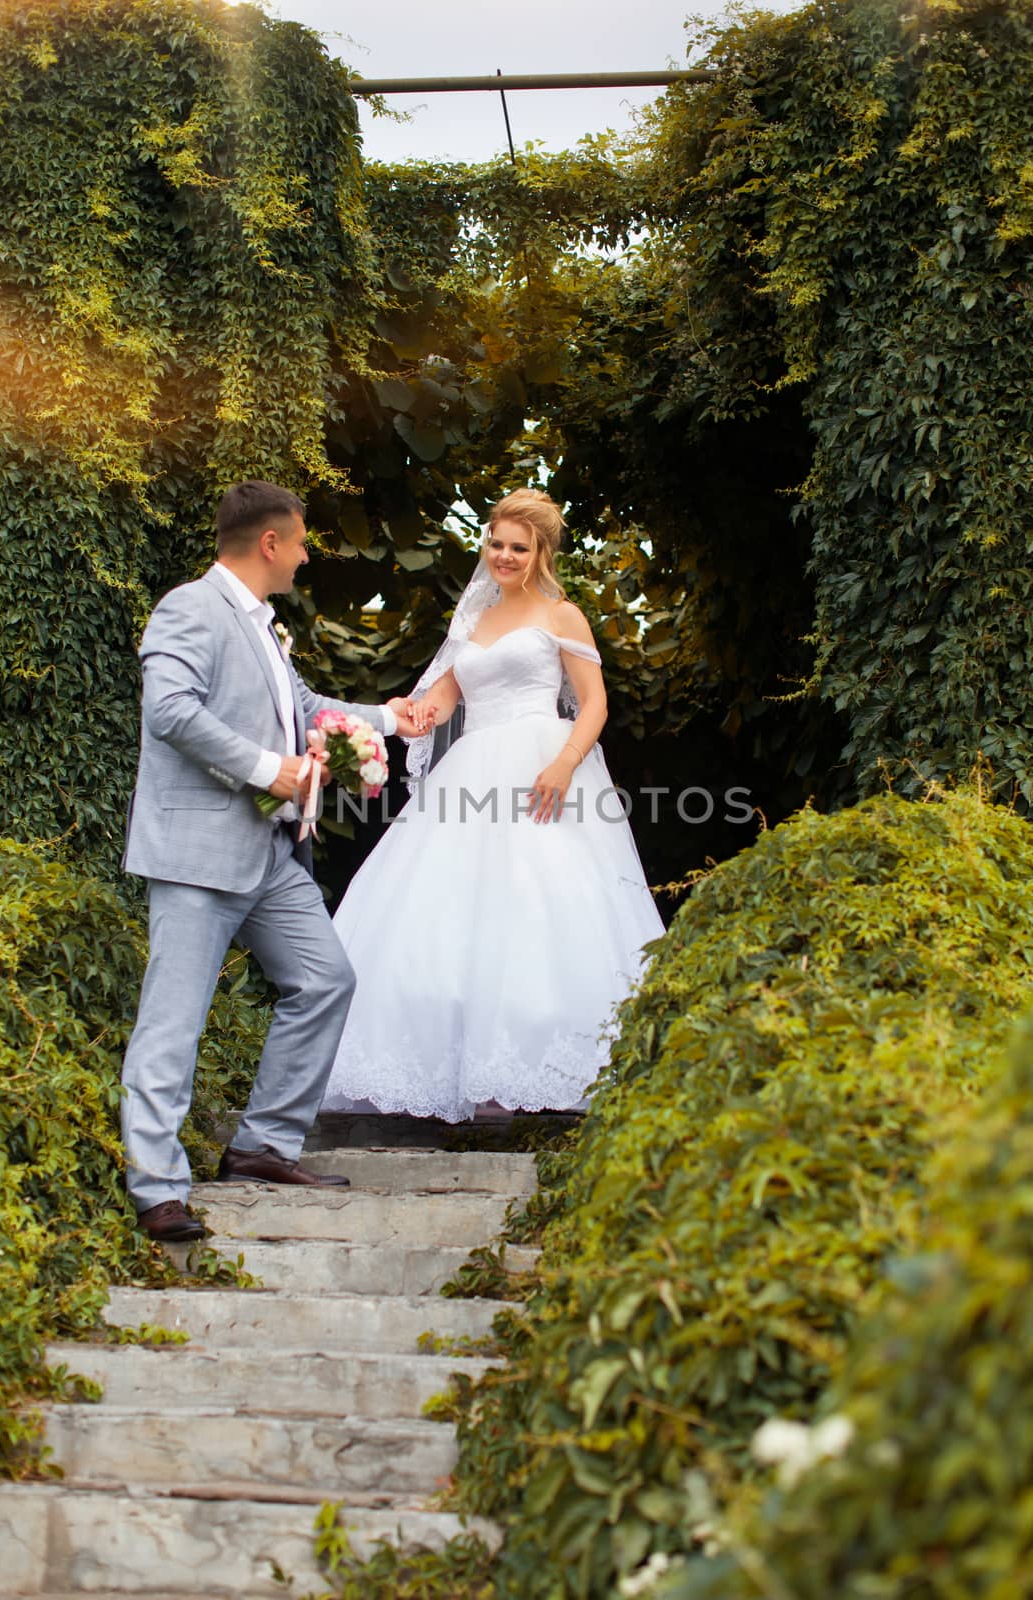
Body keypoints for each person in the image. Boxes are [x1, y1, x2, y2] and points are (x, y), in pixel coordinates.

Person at [121, 480, 419, 1242]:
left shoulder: (263, 625)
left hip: (270, 853)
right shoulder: (189, 607)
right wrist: (268, 769)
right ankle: (156, 1190)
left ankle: (262, 1146)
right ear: (269, 543)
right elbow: (170, 710)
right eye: (303, 540)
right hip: (198, 853)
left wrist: (391, 718)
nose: (309, 553)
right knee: (173, 1022)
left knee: (325, 979)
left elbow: (305, 704)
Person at [321, 488, 665, 1124]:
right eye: (497, 544)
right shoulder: (472, 621)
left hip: (542, 764)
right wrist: (412, 715)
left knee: (546, 906)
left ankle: (548, 1069)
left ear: (540, 552)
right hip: (473, 766)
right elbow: (446, 698)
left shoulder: (563, 617)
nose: (504, 556)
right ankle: (462, 1068)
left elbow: (594, 704)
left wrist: (563, 764)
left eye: (518, 547)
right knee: (449, 909)